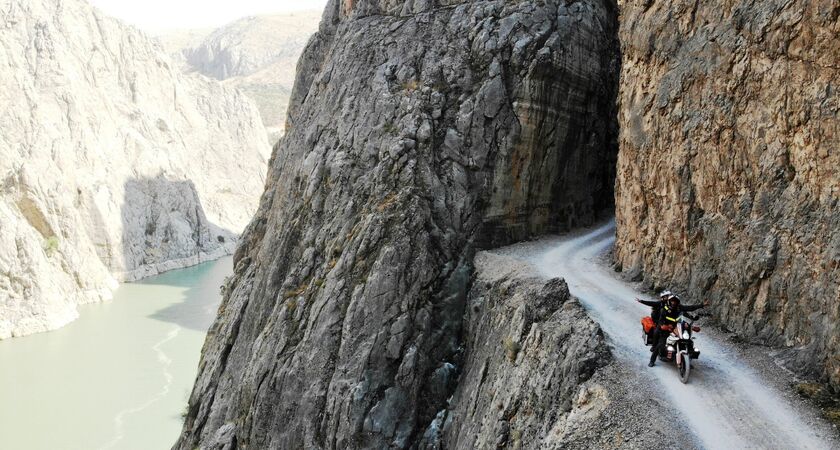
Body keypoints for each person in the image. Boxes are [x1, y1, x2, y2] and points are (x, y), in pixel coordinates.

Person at [637, 294, 707, 367]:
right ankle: (652, 360)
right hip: (665, 329)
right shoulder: (664, 309)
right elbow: (661, 321)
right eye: (672, 301)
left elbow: (690, 308)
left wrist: (702, 305)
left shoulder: (679, 308)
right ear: (669, 301)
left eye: (675, 301)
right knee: (660, 344)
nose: (674, 303)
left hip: (676, 327)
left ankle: (687, 361)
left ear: (677, 302)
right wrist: (663, 326)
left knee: (688, 341)